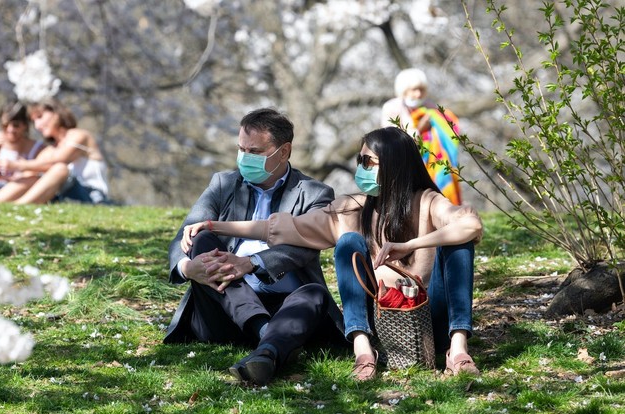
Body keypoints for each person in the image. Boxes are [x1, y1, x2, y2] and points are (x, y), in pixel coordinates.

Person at [181, 127, 483, 381]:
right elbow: (282, 227)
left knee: (459, 243)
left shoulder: (429, 202)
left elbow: (470, 223)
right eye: (359, 160)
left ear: (394, 164)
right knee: (348, 242)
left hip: (429, 319)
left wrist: (409, 246)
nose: (360, 168)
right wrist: (213, 225)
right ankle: (363, 350)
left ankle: (457, 349)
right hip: (381, 319)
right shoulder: (351, 207)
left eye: (368, 161)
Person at [164, 107, 346, 386]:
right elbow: (184, 236)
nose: (244, 158)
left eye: (255, 151)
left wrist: (250, 263)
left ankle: (266, 353)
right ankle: (268, 336)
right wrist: (188, 268)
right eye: (241, 149)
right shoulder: (222, 183)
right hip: (224, 305)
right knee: (202, 238)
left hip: (285, 306)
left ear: (283, 152)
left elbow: (303, 249)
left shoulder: (315, 193)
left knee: (314, 293)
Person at [0, 98, 109, 204]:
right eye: (34, 121)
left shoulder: (80, 136)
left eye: (40, 117)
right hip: (62, 197)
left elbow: (61, 159)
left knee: (60, 168)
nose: (37, 125)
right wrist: (4, 177)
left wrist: (17, 165)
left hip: (91, 196)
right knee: (35, 177)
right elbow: (30, 176)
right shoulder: (49, 150)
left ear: (56, 113)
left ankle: (18, 206)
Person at [381, 68, 463, 205]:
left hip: (433, 164)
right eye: (414, 90)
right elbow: (391, 139)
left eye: (421, 89)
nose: (418, 94)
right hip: (405, 165)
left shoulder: (430, 106)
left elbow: (446, 128)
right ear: (404, 89)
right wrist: (419, 129)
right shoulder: (392, 107)